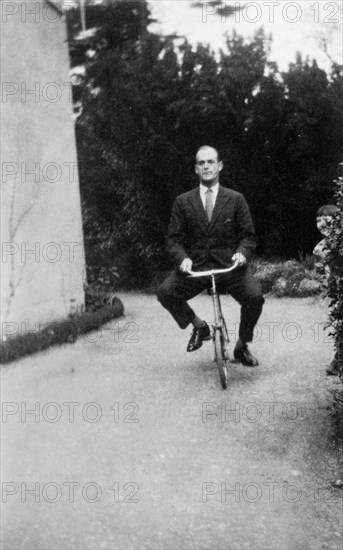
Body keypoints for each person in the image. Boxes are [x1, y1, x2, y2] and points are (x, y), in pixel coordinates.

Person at [157, 145, 264, 367]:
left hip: (230, 267)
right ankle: (199, 326)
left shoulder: (235, 199)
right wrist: (183, 259)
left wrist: (242, 254)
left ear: (219, 166)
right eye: (201, 163)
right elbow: (173, 240)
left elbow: (248, 237)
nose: (206, 166)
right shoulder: (183, 201)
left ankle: (242, 346)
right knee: (166, 293)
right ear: (196, 169)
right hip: (196, 267)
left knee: (254, 297)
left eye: (211, 162)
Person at [313, 204, 338, 286]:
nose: (322, 224)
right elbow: (320, 274)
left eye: (326, 220)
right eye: (319, 220)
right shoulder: (319, 247)